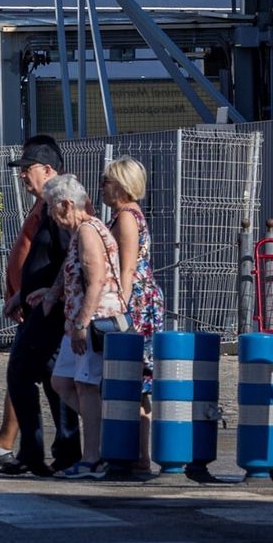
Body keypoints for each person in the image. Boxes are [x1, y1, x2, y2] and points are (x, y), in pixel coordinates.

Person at [0, 134, 78, 477]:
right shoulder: (46, 202)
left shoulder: (61, 202)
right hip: (37, 306)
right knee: (47, 379)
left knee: (27, 375)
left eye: (28, 169)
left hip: (49, 312)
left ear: (47, 169)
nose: (22, 175)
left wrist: (51, 294)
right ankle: (48, 452)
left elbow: (70, 255)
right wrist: (20, 291)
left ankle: (48, 452)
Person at [42, 172, 126, 480]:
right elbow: (71, 273)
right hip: (78, 320)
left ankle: (93, 457)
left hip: (94, 321)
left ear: (66, 204)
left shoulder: (89, 231)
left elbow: (96, 281)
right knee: (62, 381)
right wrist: (51, 296)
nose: (51, 215)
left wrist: (81, 324)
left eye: (52, 208)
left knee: (87, 386)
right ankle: (104, 434)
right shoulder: (81, 232)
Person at [102, 155, 162, 471]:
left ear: (122, 186)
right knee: (139, 383)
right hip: (142, 298)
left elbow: (126, 269)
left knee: (135, 379)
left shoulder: (126, 216)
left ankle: (138, 454)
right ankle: (138, 453)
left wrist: (119, 309)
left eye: (107, 181)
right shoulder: (130, 214)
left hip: (135, 302)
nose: (102, 187)